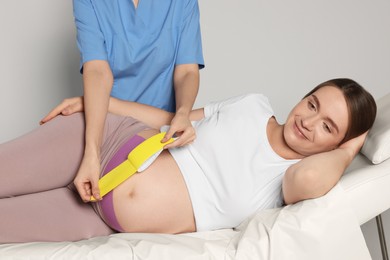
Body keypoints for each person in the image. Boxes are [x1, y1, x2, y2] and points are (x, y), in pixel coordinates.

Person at [0, 78, 376, 243]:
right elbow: (171, 120)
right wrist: (97, 105)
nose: (308, 121)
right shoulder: (252, 105)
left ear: (336, 143)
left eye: (328, 127)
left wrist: (348, 149)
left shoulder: (291, 179)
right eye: (312, 104)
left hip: (97, 218)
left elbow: (312, 180)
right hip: (104, 141)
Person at [40, 0, 205, 202]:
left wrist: (182, 112)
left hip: (156, 132)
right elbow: (98, 71)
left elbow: (187, 71)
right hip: (102, 124)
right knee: (36, 175)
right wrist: (92, 152)